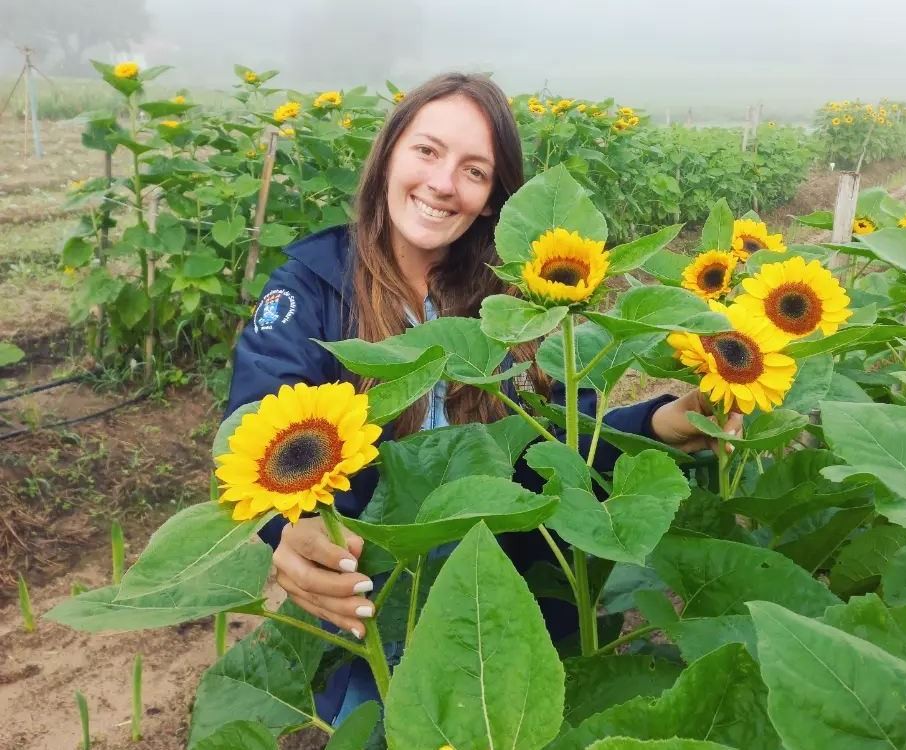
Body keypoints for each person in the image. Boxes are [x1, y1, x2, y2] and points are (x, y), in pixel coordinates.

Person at [224, 72, 738, 728]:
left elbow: (559, 450)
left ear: (494, 198)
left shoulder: (515, 304)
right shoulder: (313, 287)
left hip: (505, 602)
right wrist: (288, 528)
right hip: (375, 608)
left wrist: (658, 422)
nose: (443, 183)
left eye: (474, 171)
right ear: (389, 153)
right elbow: (257, 422)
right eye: (427, 151)